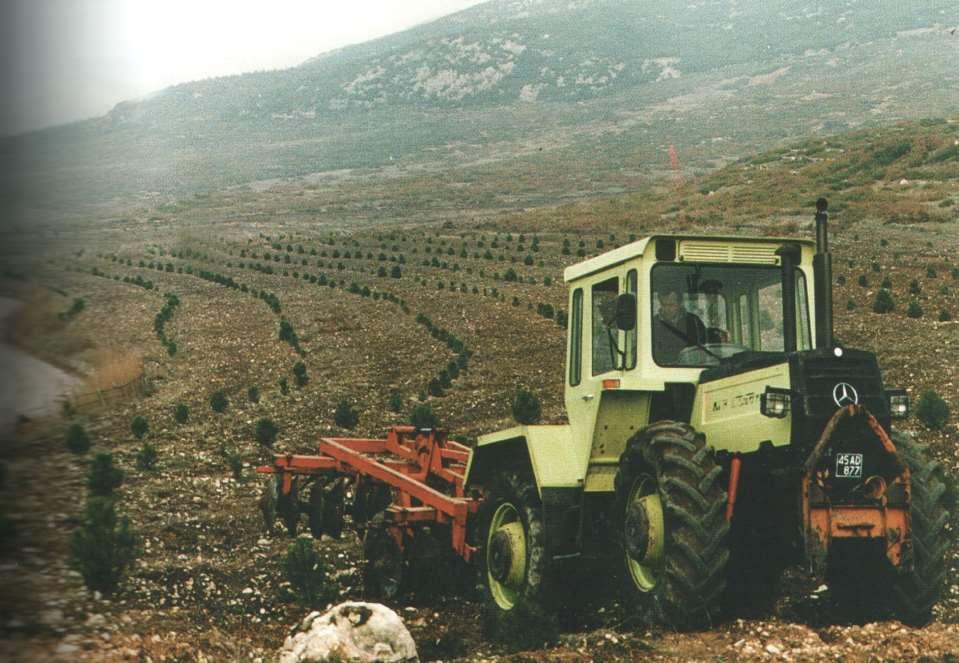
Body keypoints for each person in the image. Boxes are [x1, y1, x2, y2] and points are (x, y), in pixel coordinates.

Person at [653, 284, 706, 364]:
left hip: (691, 368)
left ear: (680, 303)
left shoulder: (694, 321)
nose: (667, 309)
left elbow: (704, 346)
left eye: (671, 305)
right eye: (664, 305)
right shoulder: (653, 324)